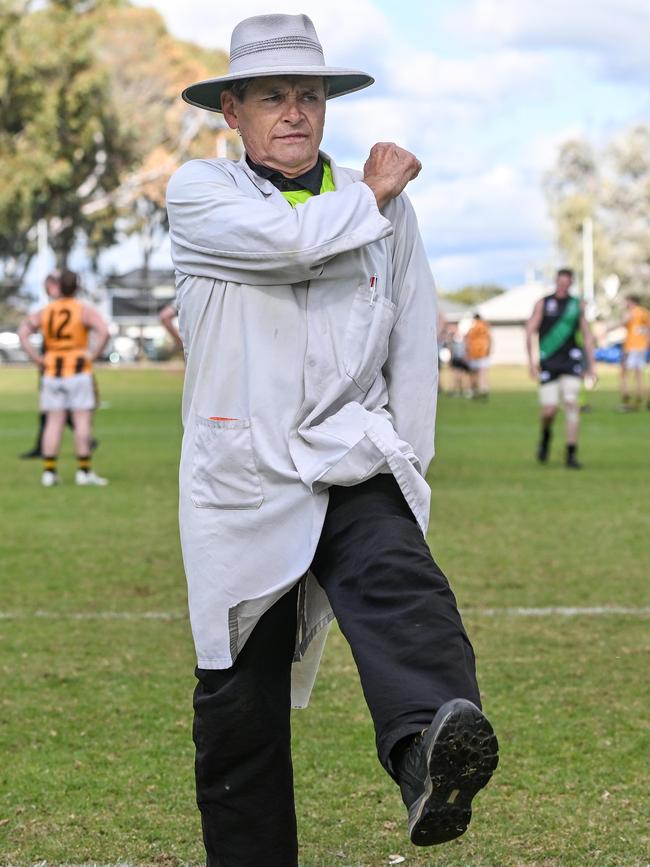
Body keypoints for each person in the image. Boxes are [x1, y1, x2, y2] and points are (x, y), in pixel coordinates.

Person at [167, 14, 498, 866]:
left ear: (327, 106)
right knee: (240, 697)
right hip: (241, 473)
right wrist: (376, 196)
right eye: (273, 96)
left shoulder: (384, 203)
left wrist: (403, 461)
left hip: (349, 449)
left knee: (406, 588)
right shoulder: (202, 195)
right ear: (231, 112)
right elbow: (291, 246)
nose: (294, 112)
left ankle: (430, 751)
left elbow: (410, 343)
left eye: (309, 95)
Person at [18, 269, 110, 487]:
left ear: (58, 286)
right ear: (77, 287)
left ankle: (49, 473)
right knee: (82, 422)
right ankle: (84, 472)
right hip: (78, 372)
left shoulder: (46, 311)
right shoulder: (83, 310)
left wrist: (38, 359)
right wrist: (93, 356)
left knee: (53, 422)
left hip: (51, 373)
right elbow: (104, 332)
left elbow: (23, 333)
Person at [525, 268, 596, 469]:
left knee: (572, 403)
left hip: (570, 363)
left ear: (571, 283)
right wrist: (531, 361)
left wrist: (591, 365)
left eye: (567, 282)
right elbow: (529, 331)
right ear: (556, 282)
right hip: (548, 363)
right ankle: (545, 436)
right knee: (549, 410)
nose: (563, 285)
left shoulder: (576, 305)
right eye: (560, 282)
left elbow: (588, 337)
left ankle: (571, 453)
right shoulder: (543, 303)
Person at [617, 295, 650, 411]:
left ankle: (626, 395)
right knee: (639, 373)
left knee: (624, 372)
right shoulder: (645, 312)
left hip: (631, 347)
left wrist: (607, 328)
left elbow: (623, 322)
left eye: (627, 301)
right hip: (642, 347)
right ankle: (640, 394)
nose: (625, 304)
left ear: (631, 302)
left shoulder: (632, 312)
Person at [465, 313, 492, 399]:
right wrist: (489, 350)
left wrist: (467, 352)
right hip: (483, 352)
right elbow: (490, 339)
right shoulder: (485, 326)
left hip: (474, 353)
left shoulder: (472, 328)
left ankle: (474, 390)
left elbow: (467, 340)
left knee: (473, 374)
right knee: (482, 373)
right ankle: (483, 388)